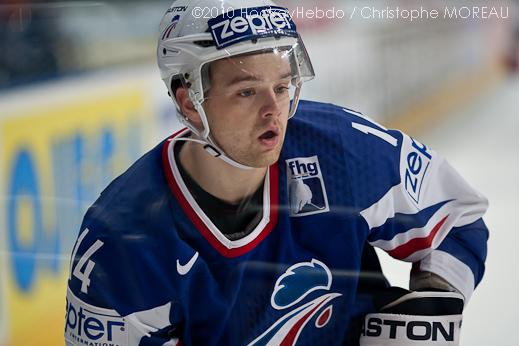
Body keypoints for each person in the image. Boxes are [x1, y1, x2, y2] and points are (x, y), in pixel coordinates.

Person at [64, 1, 489, 345]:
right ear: (190, 102)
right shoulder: (122, 240)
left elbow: (458, 218)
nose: (274, 111)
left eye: (282, 87)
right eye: (247, 92)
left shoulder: (341, 148)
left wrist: (429, 303)